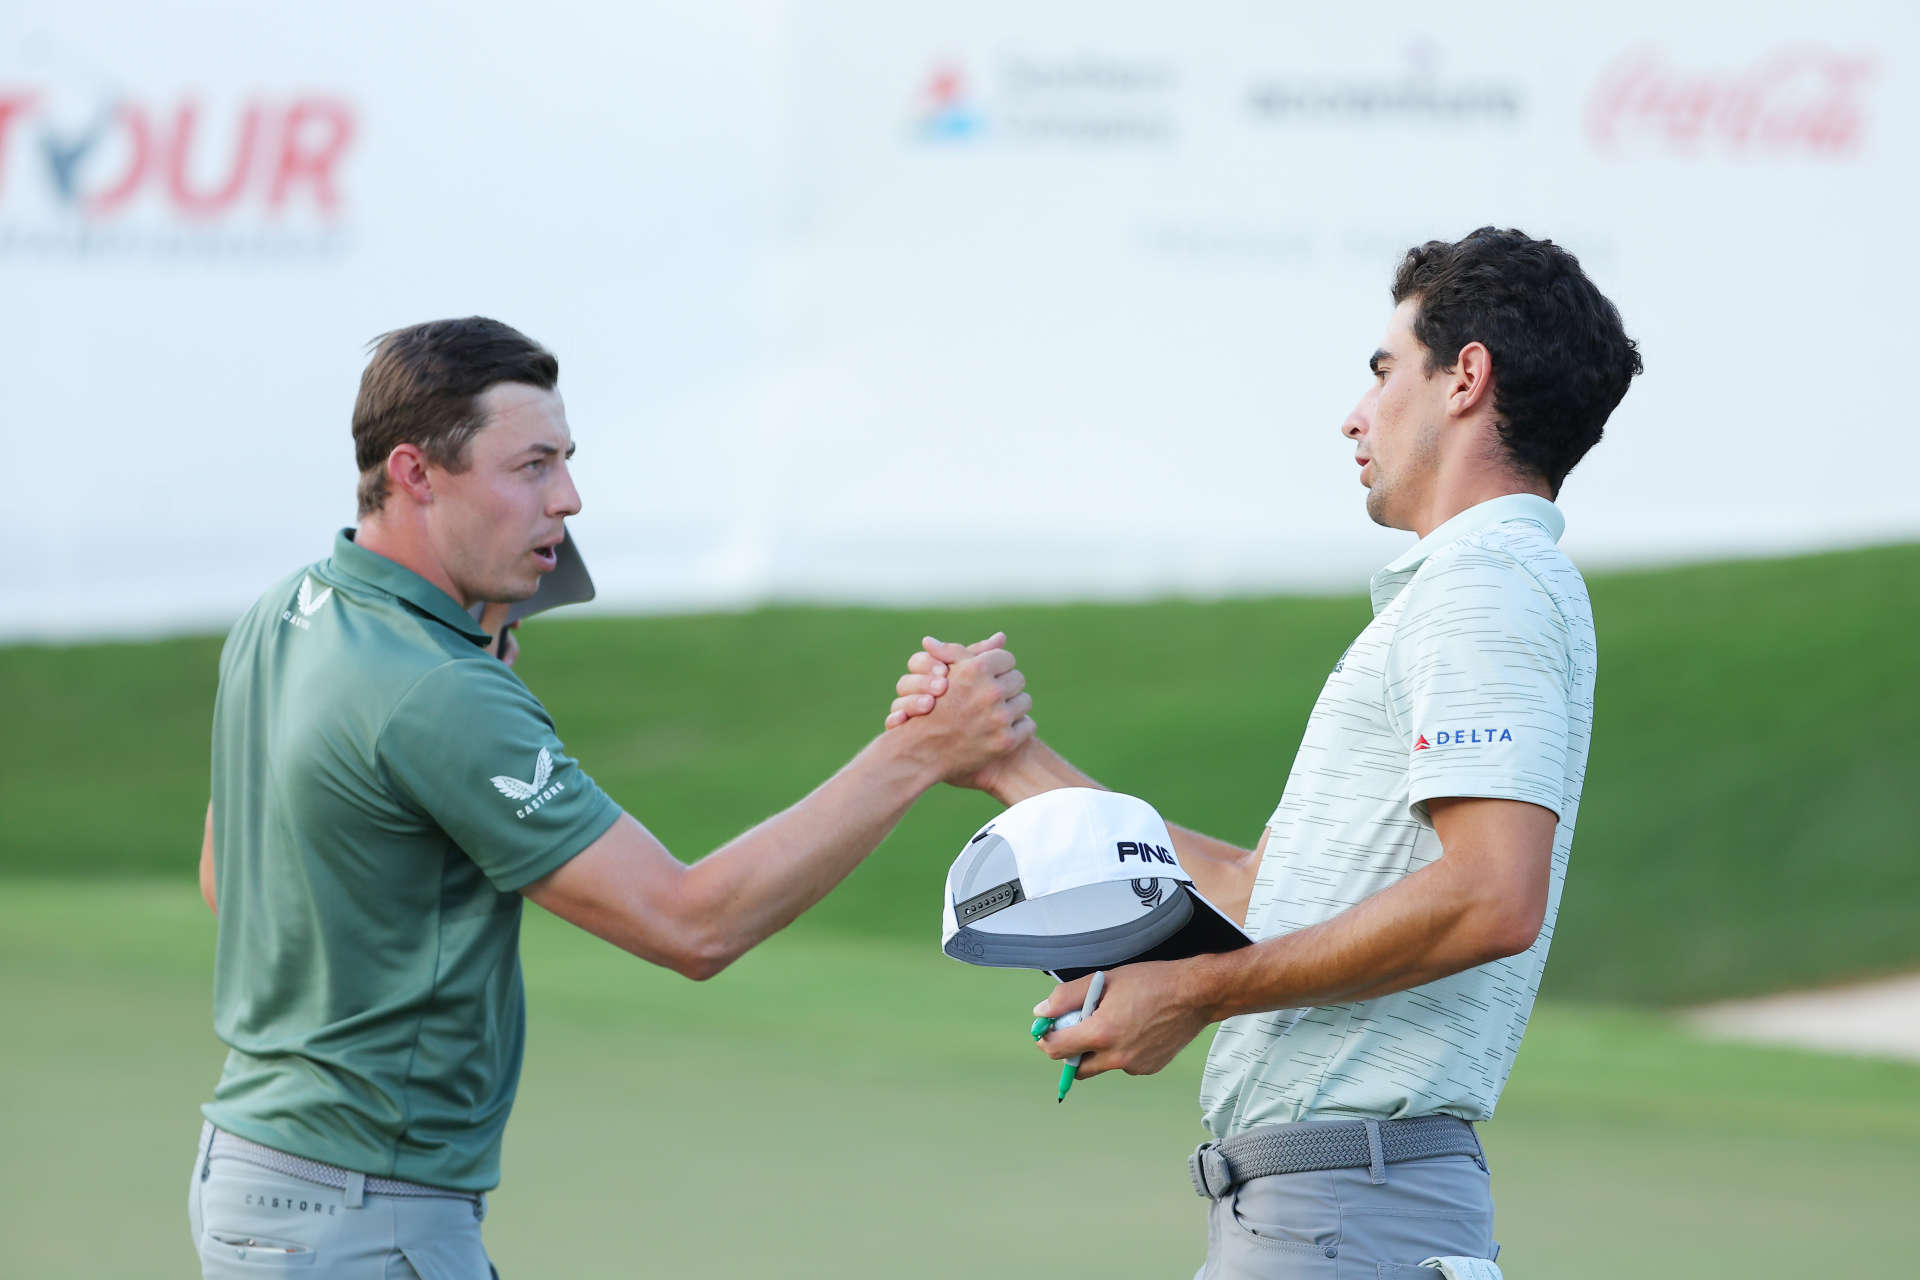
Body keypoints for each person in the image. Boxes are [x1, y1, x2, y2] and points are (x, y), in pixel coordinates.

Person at [189, 316, 1034, 1279]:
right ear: (418, 474)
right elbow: (692, 925)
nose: (570, 498)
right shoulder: (440, 691)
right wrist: (920, 753)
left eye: (566, 462)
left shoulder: (285, 611)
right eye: (533, 467)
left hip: (254, 1180)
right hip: (366, 1214)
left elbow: (231, 881)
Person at [889, 227, 1641, 1275]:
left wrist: (1193, 991)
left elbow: (1490, 895)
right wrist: (1011, 761)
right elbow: (1258, 884)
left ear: (1466, 377)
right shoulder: (1463, 590)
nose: (1355, 413)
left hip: (1348, 1212)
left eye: (1384, 372)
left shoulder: (1487, 584)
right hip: (1329, 1210)